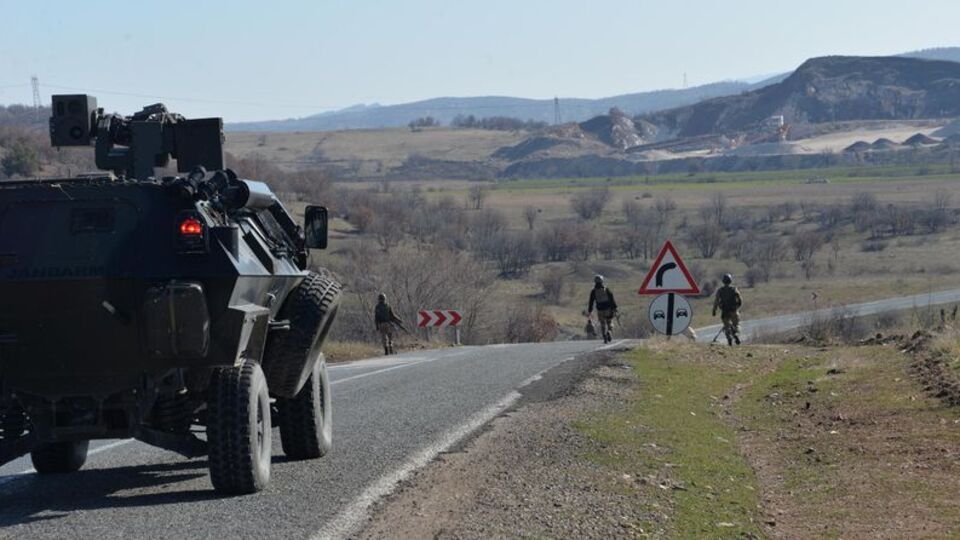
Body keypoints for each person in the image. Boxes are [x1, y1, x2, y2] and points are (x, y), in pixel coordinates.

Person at [712, 274, 743, 346]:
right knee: (736, 324)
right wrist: (737, 307)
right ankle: (736, 334)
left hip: (724, 311)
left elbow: (716, 301)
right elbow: (740, 300)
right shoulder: (734, 289)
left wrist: (714, 311)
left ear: (723, 281)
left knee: (726, 326)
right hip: (733, 310)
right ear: (730, 281)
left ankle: (729, 338)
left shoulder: (720, 290)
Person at [587, 275, 618, 343]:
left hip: (600, 310)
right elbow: (612, 299)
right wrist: (615, 308)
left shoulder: (593, 291)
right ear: (602, 281)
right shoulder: (606, 289)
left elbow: (591, 302)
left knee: (602, 323)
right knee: (609, 322)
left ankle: (604, 336)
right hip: (608, 309)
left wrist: (590, 311)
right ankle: (609, 332)